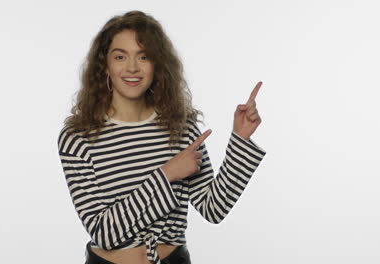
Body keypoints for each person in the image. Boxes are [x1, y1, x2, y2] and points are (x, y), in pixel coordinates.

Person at [57, 10, 266, 264]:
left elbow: (214, 208)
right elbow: (104, 232)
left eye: (143, 56)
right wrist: (167, 174)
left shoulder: (180, 129)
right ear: (105, 66)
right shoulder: (77, 138)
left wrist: (240, 140)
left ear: (157, 65)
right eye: (120, 56)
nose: (132, 67)